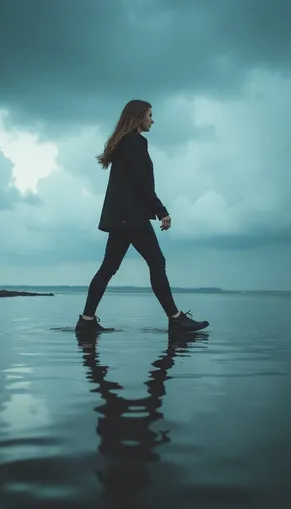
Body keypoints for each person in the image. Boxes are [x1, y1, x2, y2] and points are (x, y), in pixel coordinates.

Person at [75, 99, 209, 333]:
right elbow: (141, 183)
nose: (152, 120)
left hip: (121, 218)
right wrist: (162, 211)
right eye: (149, 115)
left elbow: (133, 182)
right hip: (132, 217)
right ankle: (175, 319)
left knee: (108, 268)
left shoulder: (123, 143)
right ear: (139, 117)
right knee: (157, 262)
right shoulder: (135, 143)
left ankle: (86, 321)